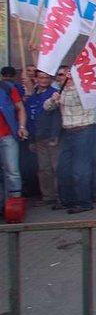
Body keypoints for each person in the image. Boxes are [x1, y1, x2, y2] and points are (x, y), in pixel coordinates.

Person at [44, 66, 96, 214]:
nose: (59, 77)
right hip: (68, 132)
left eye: (62, 75)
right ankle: (67, 200)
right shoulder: (60, 91)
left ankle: (84, 202)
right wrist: (53, 100)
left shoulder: (82, 89)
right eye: (58, 75)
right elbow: (47, 107)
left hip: (84, 130)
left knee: (80, 169)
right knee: (63, 168)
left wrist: (72, 83)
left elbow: (82, 99)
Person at [24, 70, 61, 206]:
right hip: (38, 137)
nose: (44, 80)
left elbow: (57, 117)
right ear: (35, 79)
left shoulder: (54, 94)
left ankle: (60, 196)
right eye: (41, 78)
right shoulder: (32, 98)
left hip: (52, 137)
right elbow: (29, 119)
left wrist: (55, 135)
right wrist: (32, 140)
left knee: (56, 167)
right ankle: (48, 196)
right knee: (43, 168)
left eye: (47, 78)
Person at [0, 69, 28, 218]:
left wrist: (22, 127)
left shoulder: (7, 88)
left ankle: (14, 208)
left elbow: (20, 108)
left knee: (12, 172)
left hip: (7, 136)